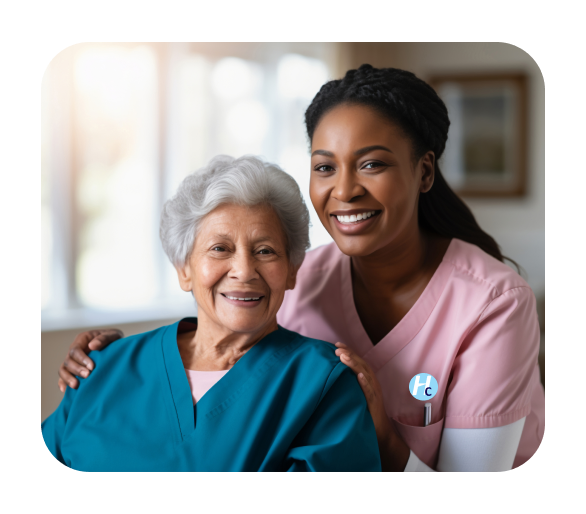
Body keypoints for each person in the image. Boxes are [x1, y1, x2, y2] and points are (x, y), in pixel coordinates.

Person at [57, 65, 545, 472]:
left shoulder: (492, 303)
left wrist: (384, 434)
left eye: (372, 164)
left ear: (424, 171)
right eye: (325, 167)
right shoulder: (299, 277)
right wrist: (111, 366)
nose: (345, 190)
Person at [42, 155, 382, 472]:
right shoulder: (101, 367)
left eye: (265, 251)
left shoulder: (323, 384)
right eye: (220, 248)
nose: (244, 271)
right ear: (184, 269)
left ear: (292, 270)